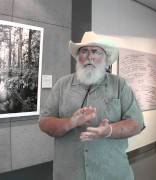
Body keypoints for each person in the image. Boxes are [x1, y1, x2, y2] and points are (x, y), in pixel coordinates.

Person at [39, 31, 145, 180]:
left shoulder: (119, 85)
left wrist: (109, 131)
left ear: (106, 59)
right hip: (69, 174)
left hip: (112, 173)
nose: (90, 57)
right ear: (78, 57)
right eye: (84, 51)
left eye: (96, 52)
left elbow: (137, 123)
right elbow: (44, 122)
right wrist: (70, 122)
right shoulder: (62, 85)